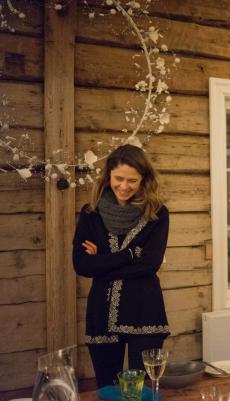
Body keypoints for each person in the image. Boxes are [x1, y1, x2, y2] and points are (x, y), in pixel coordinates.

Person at [72, 144, 170, 388]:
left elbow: (149, 265)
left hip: (144, 310)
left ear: (143, 180)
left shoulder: (157, 213)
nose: (124, 186)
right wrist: (130, 254)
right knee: (108, 388)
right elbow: (82, 265)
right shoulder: (90, 213)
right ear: (108, 176)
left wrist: (101, 261)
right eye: (119, 178)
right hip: (101, 313)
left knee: (142, 390)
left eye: (132, 180)